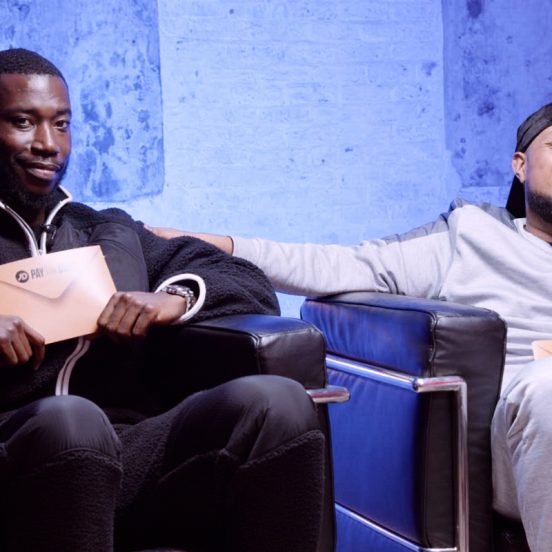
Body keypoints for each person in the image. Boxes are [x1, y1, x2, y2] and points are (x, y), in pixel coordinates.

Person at [152, 102, 552, 551]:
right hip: (529, 437)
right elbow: (344, 265)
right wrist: (224, 246)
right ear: (520, 165)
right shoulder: (474, 236)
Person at [0, 48, 327, 552]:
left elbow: (246, 281)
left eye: (61, 124)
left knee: (277, 404)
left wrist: (173, 297)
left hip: (128, 450)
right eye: (23, 122)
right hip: (18, 457)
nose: (48, 144)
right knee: (72, 421)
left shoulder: (108, 231)